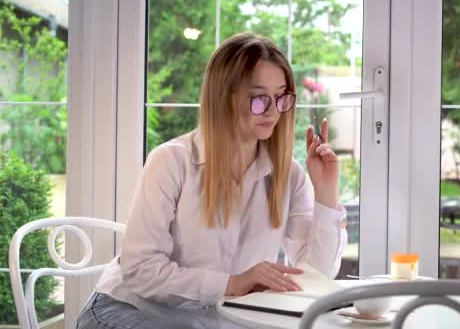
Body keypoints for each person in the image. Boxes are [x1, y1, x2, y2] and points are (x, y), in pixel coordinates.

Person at [76, 32, 348, 329]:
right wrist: (232, 282)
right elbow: (140, 270)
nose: (273, 110)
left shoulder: (288, 174)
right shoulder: (172, 161)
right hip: (127, 310)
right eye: (259, 98)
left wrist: (326, 192)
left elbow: (315, 275)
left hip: (213, 321)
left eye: (281, 96)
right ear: (224, 98)